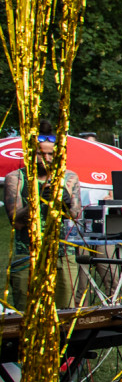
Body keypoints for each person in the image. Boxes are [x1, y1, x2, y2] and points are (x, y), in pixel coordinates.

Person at [5, 132, 83, 309]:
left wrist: (66, 202)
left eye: (50, 154)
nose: (45, 159)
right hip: (27, 253)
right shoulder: (16, 178)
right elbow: (16, 222)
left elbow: (75, 216)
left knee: (66, 312)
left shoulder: (69, 178)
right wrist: (37, 200)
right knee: (28, 311)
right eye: (40, 154)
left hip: (63, 254)